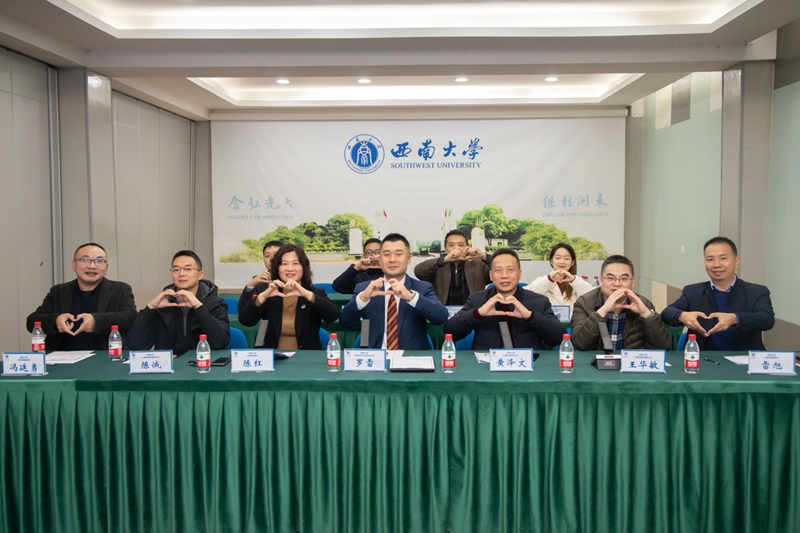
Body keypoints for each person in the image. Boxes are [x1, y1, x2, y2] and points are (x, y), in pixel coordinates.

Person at [661, 237, 774, 350]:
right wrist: (682, 316)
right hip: (703, 357)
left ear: (736, 261)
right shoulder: (693, 291)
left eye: (723, 258)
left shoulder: (756, 291)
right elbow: (666, 313)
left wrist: (735, 318)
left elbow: (767, 319)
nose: (716, 264)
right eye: (710, 259)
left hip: (745, 357)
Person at [340, 233, 448, 350]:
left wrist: (411, 297)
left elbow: (441, 317)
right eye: (387, 255)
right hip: (376, 358)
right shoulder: (364, 289)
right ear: (380, 260)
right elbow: (345, 322)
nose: (392, 260)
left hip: (411, 358)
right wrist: (363, 298)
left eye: (398, 254)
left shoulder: (422, 288)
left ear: (408, 259)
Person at [444, 249, 566, 350]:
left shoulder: (538, 301)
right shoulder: (477, 300)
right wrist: (478, 313)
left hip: (528, 367)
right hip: (486, 367)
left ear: (520, 274)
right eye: (498, 270)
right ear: (491, 275)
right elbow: (450, 332)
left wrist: (530, 316)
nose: (504, 275)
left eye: (510, 270)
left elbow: (558, 338)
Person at [26, 243, 137, 352]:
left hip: (106, 356)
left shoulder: (120, 290)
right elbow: (32, 321)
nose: (92, 266)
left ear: (106, 267)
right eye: (85, 260)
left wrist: (96, 321)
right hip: (61, 357)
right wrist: (56, 322)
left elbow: (131, 318)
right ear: (74, 265)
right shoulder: (58, 291)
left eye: (99, 261)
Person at [238, 244, 340, 349]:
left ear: (303, 267)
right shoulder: (270, 292)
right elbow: (246, 321)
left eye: (295, 263)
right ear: (277, 268)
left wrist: (308, 295)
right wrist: (261, 297)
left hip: (307, 356)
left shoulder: (314, 293)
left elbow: (333, 316)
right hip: (273, 356)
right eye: (284, 264)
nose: (290, 269)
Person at [127, 250, 230, 356]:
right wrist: (150, 308)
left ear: (200, 275)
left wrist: (199, 308)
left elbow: (220, 342)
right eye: (176, 269)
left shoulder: (215, 303)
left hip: (204, 361)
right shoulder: (164, 304)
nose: (181, 274)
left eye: (188, 269)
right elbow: (135, 344)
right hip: (170, 363)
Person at [571, 255, 670, 351]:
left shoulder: (643, 303)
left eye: (624, 279)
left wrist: (645, 314)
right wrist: (602, 311)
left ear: (632, 282)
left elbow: (661, 347)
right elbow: (579, 344)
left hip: (631, 361)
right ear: (601, 280)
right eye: (610, 278)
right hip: (596, 361)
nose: (617, 284)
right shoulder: (584, 302)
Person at [414, 229, 491, 305]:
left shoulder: (478, 265)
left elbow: (497, 271)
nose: (456, 248)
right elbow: (418, 272)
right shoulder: (438, 265)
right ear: (445, 249)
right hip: (444, 311)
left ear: (467, 248)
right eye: (451, 245)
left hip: (473, 311)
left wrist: (484, 256)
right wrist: (444, 259)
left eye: (461, 245)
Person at [526, 242, 594, 313]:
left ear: (572, 262)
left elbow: (592, 299)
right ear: (551, 261)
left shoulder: (577, 283)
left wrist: (574, 281)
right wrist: (549, 280)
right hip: (548, 320)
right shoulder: (543, 281)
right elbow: (526, 297)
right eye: (558, 258)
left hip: (573, 320)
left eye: (566, 258)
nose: (562, 262)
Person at [237, 240, 283, 313]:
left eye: (276, 255)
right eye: (267, 256)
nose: (271, 259)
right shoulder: (260, 281)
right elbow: (243, 312)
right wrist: (251, 285)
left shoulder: (294, 279)